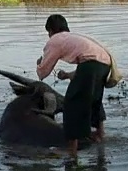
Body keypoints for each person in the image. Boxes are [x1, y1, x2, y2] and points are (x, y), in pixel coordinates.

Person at [36, 14, 112, 158]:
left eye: (48, 32)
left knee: (72, 102)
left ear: (51, 30)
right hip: (105, 64)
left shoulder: (55, 40)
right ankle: (100, 133)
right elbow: (89, 65)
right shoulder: (74, 37)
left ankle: (72, 148)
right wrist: (67, 76)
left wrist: (39, 63)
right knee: (94, 98)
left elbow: (43, 72)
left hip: (92, 66)